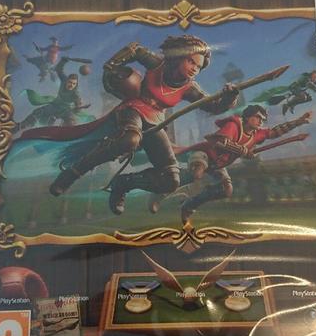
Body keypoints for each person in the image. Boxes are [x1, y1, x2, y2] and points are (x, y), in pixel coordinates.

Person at [38, 35, 238, 213]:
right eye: (191, 61)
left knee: (170, 180)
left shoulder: (190, 88)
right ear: (179, 56)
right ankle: (71, 174)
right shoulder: (158, 64)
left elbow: (214, 106)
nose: (195, 68)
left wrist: (230, 97)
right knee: (130, 139)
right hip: (133, 108)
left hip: (155, 123)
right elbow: (135, 49)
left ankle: (122, 184)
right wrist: (112, 67)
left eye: (199, 66)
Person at [180, 104, 299, 222]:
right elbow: (222, 142)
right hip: (205, 154)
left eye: (262, 119)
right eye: (258, 117)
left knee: (226, 190)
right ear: (247, 117)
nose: (260, 121)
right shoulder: (234, 125)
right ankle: (174, 180)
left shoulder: (257, 134)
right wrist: (243, 151)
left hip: (218, 164)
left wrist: (299, 122)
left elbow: (275, 132)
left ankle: (189, 205)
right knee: (197, 173)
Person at [17, 57, 86, 130]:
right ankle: (21, 126)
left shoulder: (76, 94)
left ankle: (67, 131)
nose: (71, 85)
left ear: (76, 85)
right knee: (38, 112)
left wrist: (78, 108)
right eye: (70, 82)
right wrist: (63, 61)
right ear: (67, 81)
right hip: (55, 106)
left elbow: (78, 108)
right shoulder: (64, 79)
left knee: (72, 122)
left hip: (66, 111)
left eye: (74, 84)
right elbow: (59, 69)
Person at [148, 150, 210, 214]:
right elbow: (154, 198)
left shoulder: (210, 180)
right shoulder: (180, 176)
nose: (193, 168)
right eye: (191, 165)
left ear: (204, 167)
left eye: (197, 165)